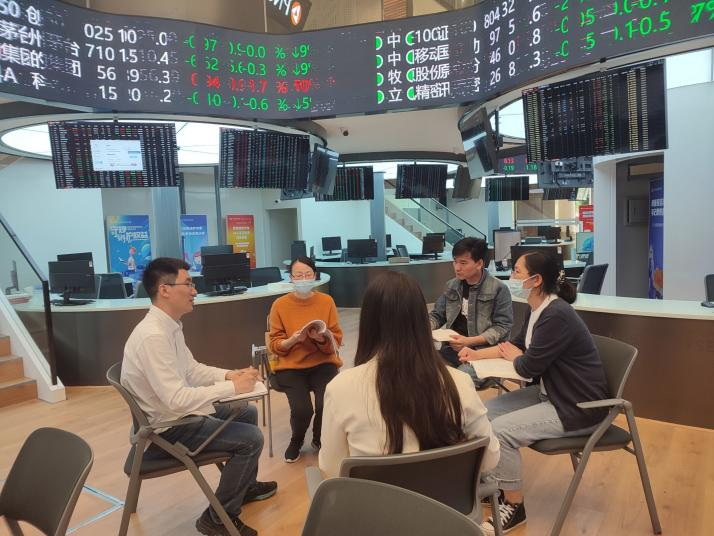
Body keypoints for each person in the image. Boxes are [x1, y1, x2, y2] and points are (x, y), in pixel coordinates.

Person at [121, 258, 276, 536]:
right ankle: (217, 519)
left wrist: (231, 376)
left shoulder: (169, 326)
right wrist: (234, 388)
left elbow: (191, 370)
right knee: (252, 439)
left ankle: (244, 486)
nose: (194, 290)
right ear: (164, 289)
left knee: (246, 411)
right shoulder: (153, 337)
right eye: (189, 284)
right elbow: (177, 399)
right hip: (169, 428)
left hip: (175, 415)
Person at [458, 251, 608, 535]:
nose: (511, 277)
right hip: (551, 393)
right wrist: (476, 354)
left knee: (500, 431)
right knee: (482, 415)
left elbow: (528, 367)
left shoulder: (556, 315)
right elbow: (515, 346)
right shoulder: (536, 307)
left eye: (516, 271)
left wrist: (518, 357)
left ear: (536, 280)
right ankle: (497, 486)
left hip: (577, 405)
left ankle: (515, 507)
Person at [319, 271, 499, 480]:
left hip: (373, 501)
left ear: (367, 323)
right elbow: (490, 458)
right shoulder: (458, 382)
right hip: (442, 500)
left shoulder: (340, 388)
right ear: (422, 320)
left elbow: (332, 470)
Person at [268, 256, 343, 463]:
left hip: (322, 362)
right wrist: (293, 340)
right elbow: (274, 344)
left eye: (308, 274)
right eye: (298, 275)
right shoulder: (280, 305)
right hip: (290, 365)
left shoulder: (326, 301)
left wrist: (320, 339)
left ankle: (320, 437)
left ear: (315, 276)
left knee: (326, 404)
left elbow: (336, 340)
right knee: (302, 410)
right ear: (291, 278)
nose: (303, 279)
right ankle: (297, 440)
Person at [430, 237, 513, 388]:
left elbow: (502, 327)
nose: (457, 268)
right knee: (419, 367)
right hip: (452, 350)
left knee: (458, 382)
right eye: (455, 261)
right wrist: (424, 328)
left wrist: (469, 341)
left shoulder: (498, 288)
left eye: (463, 263)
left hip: (483, 354)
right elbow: (437, 315)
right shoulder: (452, 286)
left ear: (479, 263)